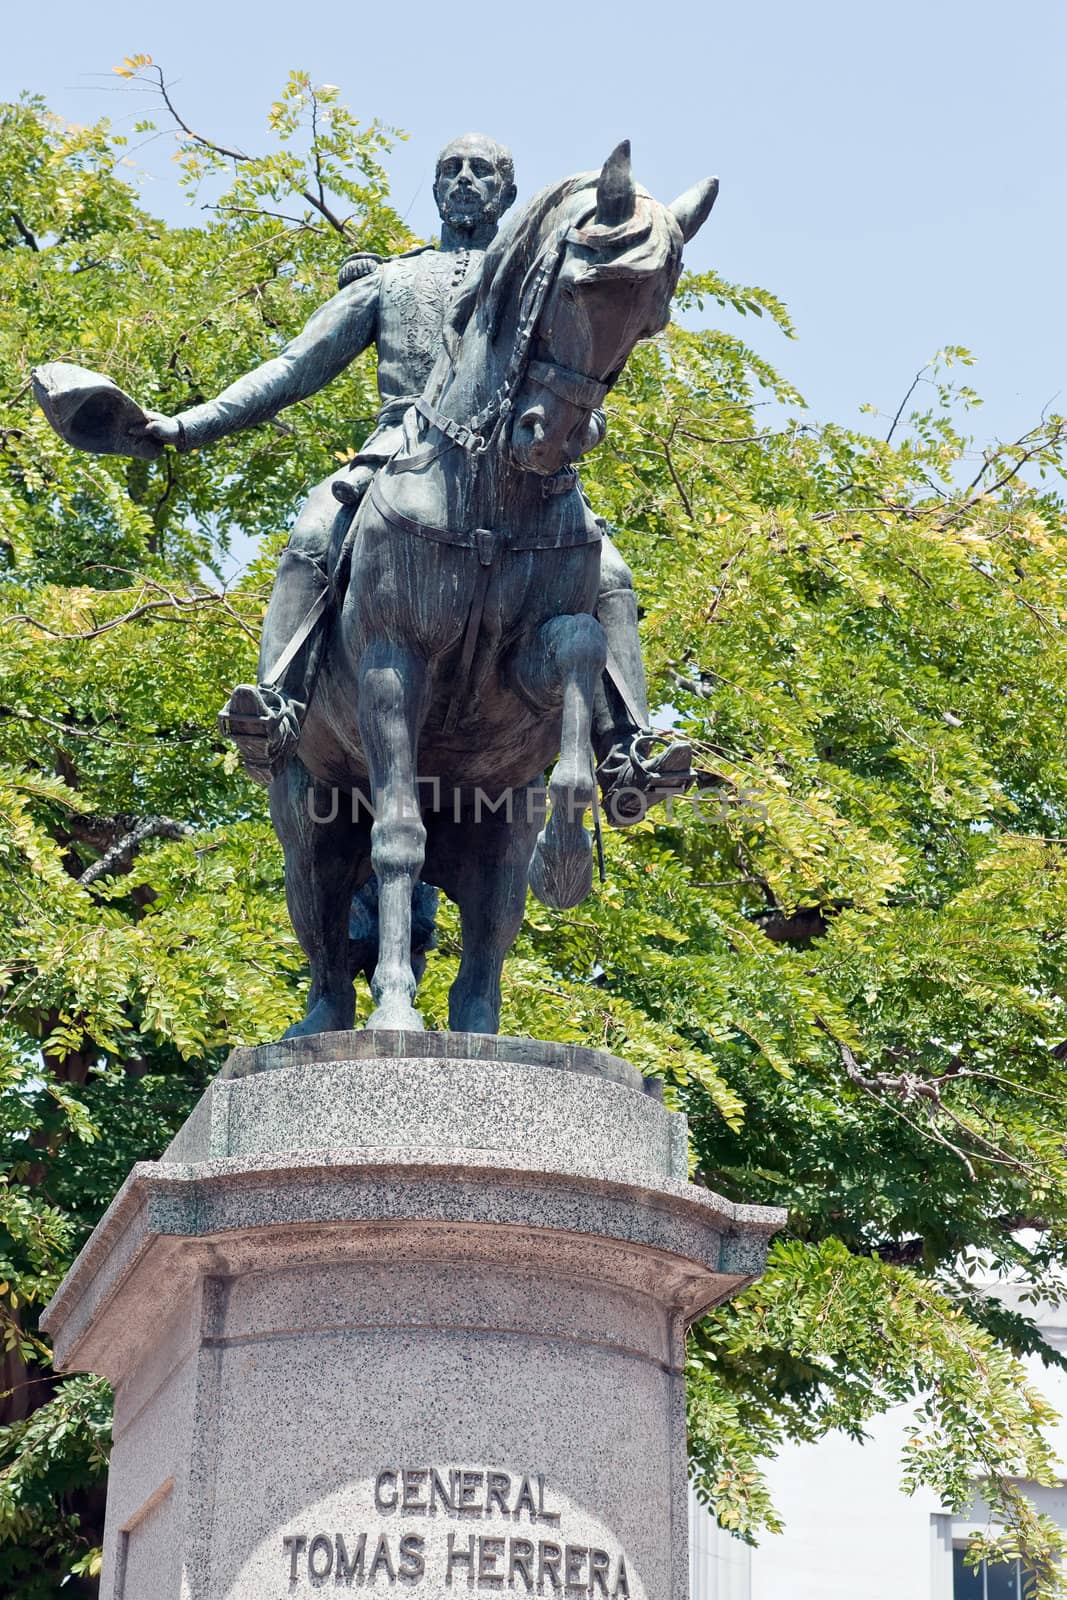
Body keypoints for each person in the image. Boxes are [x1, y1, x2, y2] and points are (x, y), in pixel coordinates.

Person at [144, 134, 692, 822]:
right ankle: (278, 706)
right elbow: (292, 368)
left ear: (507, 192)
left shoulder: (538, 275)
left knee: (607, 572)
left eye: (483, 170)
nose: (465, 180)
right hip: (398, 453)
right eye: (450, 170)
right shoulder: (389, 279)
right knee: (316, 530)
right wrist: (186, 424)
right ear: (434, 189)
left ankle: (624, 748)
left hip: (519, 464)